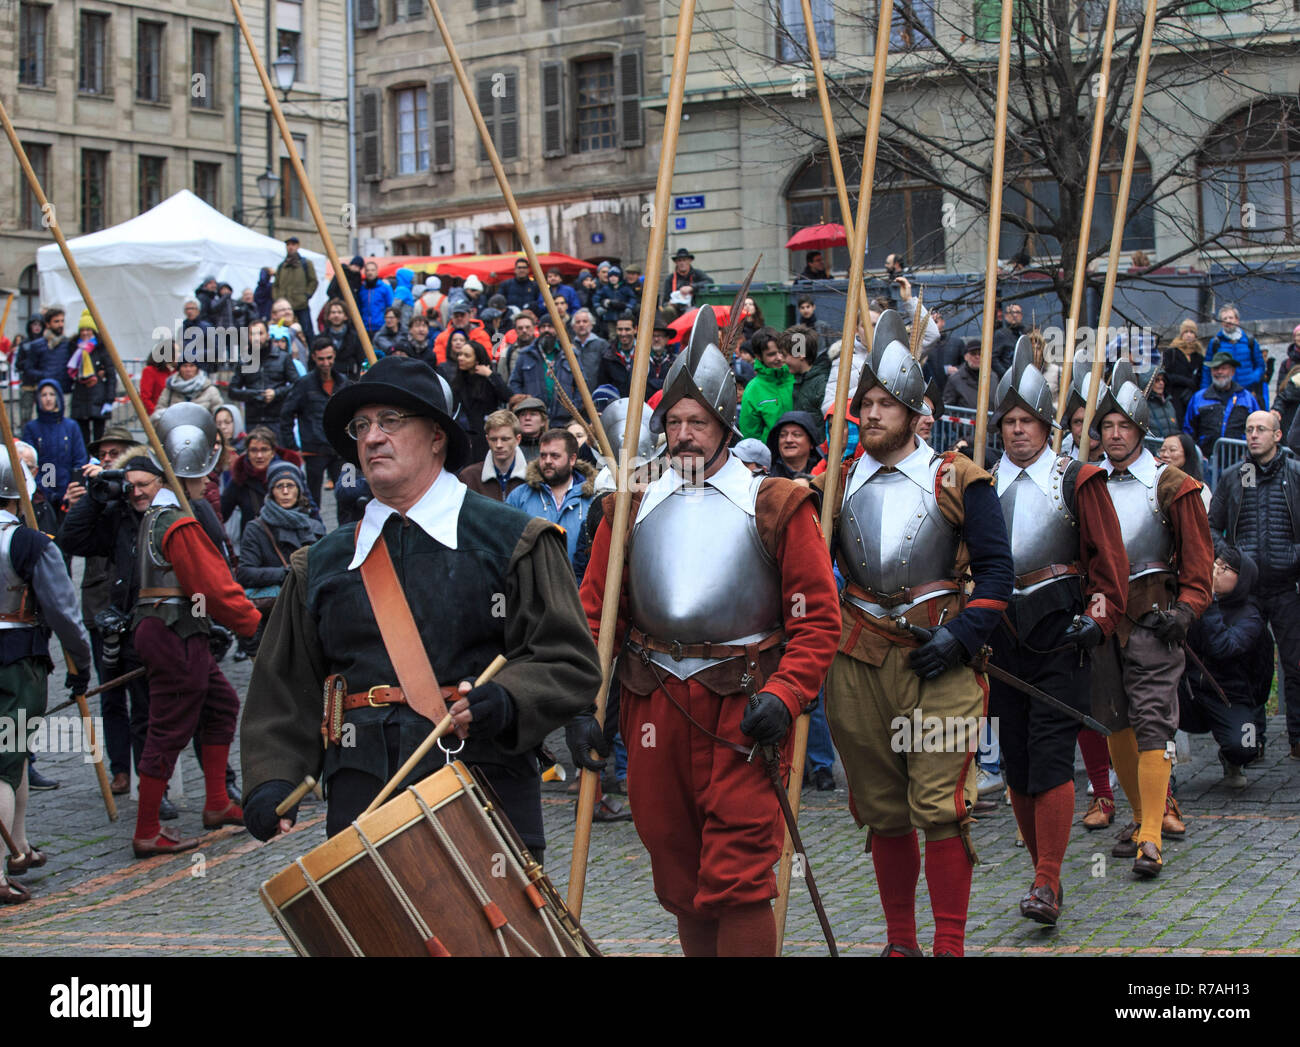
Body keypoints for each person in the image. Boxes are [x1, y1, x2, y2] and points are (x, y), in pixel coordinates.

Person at [239, 356, 603, 865]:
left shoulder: (513, 540)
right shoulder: (319, 564)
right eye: (361, 426)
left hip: (484, 790)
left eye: (390, 421)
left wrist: (508, 698)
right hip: (363, 802)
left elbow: (568, 661)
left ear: (436, 436)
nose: (372, 438)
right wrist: (273, 777)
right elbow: (283, 685)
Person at [580, 306, 840, 956]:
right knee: (680, 870)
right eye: (673, 421)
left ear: (725, 424)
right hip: (653, 703)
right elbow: (596, 616)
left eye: (697, 421)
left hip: (743, 706)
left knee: (739, 874)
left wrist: (786, 693)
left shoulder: (776, 503)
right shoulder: (628, 507)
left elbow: (816, 619)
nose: (684, 434)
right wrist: (581, 703)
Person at [816, 311, 1013, 956]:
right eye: (865, 404)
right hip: (858, 658)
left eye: (884, 404)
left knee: (939, 805)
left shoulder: (959, 477)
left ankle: (948, 945)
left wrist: (964, 635)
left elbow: (996, 571)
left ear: (913, 410)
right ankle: (900, 943)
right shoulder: (834, 483)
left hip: (940, 659)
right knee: (882, 808)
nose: (870, 414)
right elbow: (807, 571)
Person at [986, 337, 1129, 925]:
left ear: (1047, 426)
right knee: (1017, 760)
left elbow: (1108, 563)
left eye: (1028, 420)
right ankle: (1040, 871)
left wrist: (1098, 619)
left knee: (1049, 755)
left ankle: (1047, 880)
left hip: (1060, 631)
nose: (1018, 429)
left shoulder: (1079, 479)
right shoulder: (979, 483)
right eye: (1009, 421)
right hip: (1000, 635)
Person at [1093, 361, 1213, 878]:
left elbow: (1199, 563)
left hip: (1154, 617)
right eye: (1107, 425)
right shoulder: (1088, 483)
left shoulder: (1172, 485)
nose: (1115, 434)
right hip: (1103, 620)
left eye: (1124, 425)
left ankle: (1150, 838)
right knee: (1113, 721)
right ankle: (1142, 816)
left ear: (1141, 429)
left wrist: (1185, 611)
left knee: (1153, 723)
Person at [122, 448, 261, 856]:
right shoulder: (176, 522)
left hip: (173, 628)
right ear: (183, 479)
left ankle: (217, 802)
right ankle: (147, 829)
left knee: (221, 704)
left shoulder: (156, 517)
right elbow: (212, 587)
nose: (208, 481)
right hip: (174, 632)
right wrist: (253, 624)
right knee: (167, 728)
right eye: (201, 475)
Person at [0, 455, 93, 904]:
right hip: (17, 660)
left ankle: (17, 847)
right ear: (18, 493)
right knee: (5, 760)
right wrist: (81, 661)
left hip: (17, 658)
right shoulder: (30, 543)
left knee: (13, 754)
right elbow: (63, 611)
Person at [1208, 410, 1300, 761]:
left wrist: (1294, 554)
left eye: (1261, 429)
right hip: (1246, 592)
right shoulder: (1236, 476)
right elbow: (1211, 525)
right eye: (1249, 429)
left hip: (1287, 586)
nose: (1253, 435)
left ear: (1277, 435)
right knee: (1248, 664)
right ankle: (1252, 742)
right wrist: (1229, 557)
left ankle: (1297, 739)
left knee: (1295, 664)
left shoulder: (1295, 473)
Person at [1178, 549, 1268, 786]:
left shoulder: (1251, 617)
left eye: (1224, 568)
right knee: (1149, 706)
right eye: (1215, 564)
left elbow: (1222, 648)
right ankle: (1164, 776)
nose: (1215, 570)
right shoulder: (1193, 601)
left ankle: (1232, 759)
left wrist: (1209, 603)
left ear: (1242, 579)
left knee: (1248, 746)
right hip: (1188, 691)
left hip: (1229, 698)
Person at [237, 461, 325, 656]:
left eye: (290, 486)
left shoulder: (314, 527)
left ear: (299, 490)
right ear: (271, 491)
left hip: (309, 614)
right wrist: (285, 574)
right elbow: (245, 572)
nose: (285, 492)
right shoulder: (256, 528)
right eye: (279, 486)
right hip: (274, 617)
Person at [507, 428, 596, 582]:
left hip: (578, 589)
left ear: (572, 459)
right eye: (543, 455)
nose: (547, 461)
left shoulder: (592, 498)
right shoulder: (520, 496)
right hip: (531, 589)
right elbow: (505, 542)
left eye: (555, 456)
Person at [280, 337, 350, 507]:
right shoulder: (304, 384)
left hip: (339, 450)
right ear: (313, 357)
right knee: (312, 500)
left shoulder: (343, 382)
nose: (326, 363)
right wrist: (293, 448)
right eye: (321, 359)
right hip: (314, 450)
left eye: (329, 358)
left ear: (334, 356)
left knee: (347, 497)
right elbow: (286, 415)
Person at [221, 426, 304, 543]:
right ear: (247, 452)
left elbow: (308, 507)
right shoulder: (240, 478)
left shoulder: (289, 474)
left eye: (264, 450)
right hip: (254, 543)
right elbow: (222, 513)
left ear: (273, 452)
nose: (259, 456)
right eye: (254, 450)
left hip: (291, 541)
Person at [439, 332, 510, 461]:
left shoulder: (489, 380)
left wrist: (490, 375)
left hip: (487, 435)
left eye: (466, 356)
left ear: (477, 360)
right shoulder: (457, 382)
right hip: (467, 436)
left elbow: (507, 396)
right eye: (460, 354)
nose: (461, 358)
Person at [22, 381, 87, 520]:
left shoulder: (71, 426)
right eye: (44, 395)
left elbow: (79, 459)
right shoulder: (32, 428)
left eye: (52, 394)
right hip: (44, 489)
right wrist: (45, 491)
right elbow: (30, 462)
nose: (48, 398)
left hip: (69, 489)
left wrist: (73, 487)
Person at [1184, 351, 1260, 457]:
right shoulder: (1198, 398)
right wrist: (1196, 455)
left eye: (1224, 368)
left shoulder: (1247, 398)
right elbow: (1188, 430)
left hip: (1240, 460)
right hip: (1207, 460)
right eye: (1215, 368)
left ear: (1232, 371)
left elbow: (1258, 427)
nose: (1219, 372)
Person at [508, 314, 580, 425]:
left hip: (563, 419)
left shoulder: (570, 354)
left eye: (550, 326)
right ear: (538, 329)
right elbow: (514, 382)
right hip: (534, 418)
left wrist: (574, 407)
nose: (546, 330)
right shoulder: (525, 354)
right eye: (543, 327)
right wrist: (523, 403)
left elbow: (581, 384)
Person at [229, 324, 299, 430]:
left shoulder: (283, 358)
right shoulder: (244, 361)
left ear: (268, 335)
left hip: (278, 420)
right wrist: (254, 394)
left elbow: (297, 385)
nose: (256, 338)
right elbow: (232, 391)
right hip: (253, 421)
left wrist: (276, 393)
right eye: (252, 334)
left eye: (260, 333)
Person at [1200, 304, 1267, 408]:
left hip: (1247, 391)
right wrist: (1204, 392)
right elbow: (1207, 369)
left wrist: (1252, 378)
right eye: (1224, 319)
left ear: (1237, 320)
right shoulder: (1215, 343)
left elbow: (1260, 366)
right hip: (1223, 392)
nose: (1228, 321)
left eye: (1231, 318)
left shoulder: (1250, 341)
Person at [66, 311, 115, 447]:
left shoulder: (102, 348)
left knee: (99, 438)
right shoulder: (74, 348)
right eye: (82, 330)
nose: (85, 333)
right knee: (82, 438)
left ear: (93, 331)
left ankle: (99, 458)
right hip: (80, 396)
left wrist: (109, 400)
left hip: (98, 397)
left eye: (88, 329)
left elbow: (111, 375)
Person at [459, 409, 530, 501]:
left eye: (505, 439)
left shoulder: (534, 477)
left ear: (518, 439)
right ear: (487, 439)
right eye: (493, 439)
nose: (498, 445)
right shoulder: (469, 477)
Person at [739, 327, 793, 441]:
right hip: (769, 451)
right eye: (771, 354)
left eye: (781, 351)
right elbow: (750, 435)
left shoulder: (796, 377)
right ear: (759, 356)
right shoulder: (753, 390)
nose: (779, 358)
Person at [272, 237, 318, 338]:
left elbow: (313, 281)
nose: (290, 247)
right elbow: (275, 285)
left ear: (297, 246)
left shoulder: (305, 263)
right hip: (284, 307)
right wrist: (277, 299)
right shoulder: (282, 266)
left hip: (301, 305)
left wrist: (306, 296)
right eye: (288, 245)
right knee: (281, 331)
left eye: (293, 245)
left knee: (307, 332)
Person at [1163, 320, 1205, 424]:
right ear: (1181, 334)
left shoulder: (1199, 356)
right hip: (1175, 397)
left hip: (1192, 398)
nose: (1189, 335)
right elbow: (1166, 375)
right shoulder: (1171, 352)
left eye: (1192, 332)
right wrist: (1185, 381)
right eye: (1186, 332)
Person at [1157, 432, 1211, 511]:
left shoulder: (1200, 489)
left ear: (1187, 453)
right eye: (1162, 450)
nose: (1165, 455)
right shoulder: (1154, 482)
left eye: (1172, 450)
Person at [765, 410, 823, 479]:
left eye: (796, 435)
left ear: (811, 443)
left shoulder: (825, 474)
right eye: (783, 435)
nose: (788, 440)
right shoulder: (766, 477)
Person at [317, 298, 365, 378]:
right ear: (328, 316)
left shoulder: (355, 338)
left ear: (345, 316)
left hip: (350, 378)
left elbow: (362, 361)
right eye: (333, 312)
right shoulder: (320, 338)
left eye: (339, 312)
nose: (336, 315)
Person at [597, 317, 637, 398]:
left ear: (635, 330)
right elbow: (603, 385)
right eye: (620, 329)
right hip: (617, 403)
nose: (623, 333)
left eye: (627, 329)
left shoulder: (647, 353)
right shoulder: (607, 355)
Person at [571, 309, 608, 390]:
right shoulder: (569, 345)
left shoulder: (602, 344)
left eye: (585, 321)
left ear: (592, 324)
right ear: (573, 327)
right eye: (578, 322)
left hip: (597, 391)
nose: (581, 324)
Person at [944, 338, 984, 410]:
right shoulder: (955, 380)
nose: (977, 357)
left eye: (980, 354)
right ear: (966, 357)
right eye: (973, 353)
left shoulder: (993, 377)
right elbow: (948, 407)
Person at [357, 260, 395, 337]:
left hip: (381, 327)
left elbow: (390, 306)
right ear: (365, 272)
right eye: (367, 270)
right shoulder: (361, 289)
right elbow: (359, 307)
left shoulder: (385, 288)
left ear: (377, 272)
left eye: (372, 270)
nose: (370, 272)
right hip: (364, 328)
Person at [596, 266, 638, 331]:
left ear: (619, 277)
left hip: (622, 315)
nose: (613, 278)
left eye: (615, 276)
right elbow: (597, 297)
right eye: (611, 276)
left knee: (623, 331)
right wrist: (598, 306)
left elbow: (632, 298)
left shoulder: (625, 288)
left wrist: (629, 307)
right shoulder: (605, 288)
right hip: (609, 316)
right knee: (612, 333)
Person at [992, 303, 1026, 377]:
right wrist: (1006, 375)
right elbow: (993, 358)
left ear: (1021, 316)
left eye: (1017, 312)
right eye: (1011, 312)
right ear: (1006, 316)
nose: (1014, 315)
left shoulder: (1025, 334)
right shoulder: (1001, 334)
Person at [1145, 369, 1179, 438]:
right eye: (1157, 380)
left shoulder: (1169, 403)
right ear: (1147, 383)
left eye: (1163, 380)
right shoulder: (1144, 405)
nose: (1161, 383)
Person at [139, 348, 174, 417]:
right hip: (158, 415)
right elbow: (145, 397)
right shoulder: (149, 371)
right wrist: (155, 414)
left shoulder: (172, 371)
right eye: (176, 352)